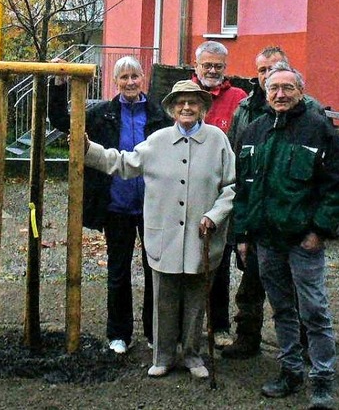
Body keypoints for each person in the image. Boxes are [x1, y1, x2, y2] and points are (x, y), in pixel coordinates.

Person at [83, 79, 236, 379]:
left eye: (193, 102)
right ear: (172, 108)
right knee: (164, 298)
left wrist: (215, 216)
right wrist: (89, 149)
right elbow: (123, 163)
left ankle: (192, 355)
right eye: (181, 103)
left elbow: (230, 187)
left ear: (203, 107)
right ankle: (163, 355)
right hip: (164, 234)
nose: (187, 107)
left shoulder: (218, 140)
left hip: (201, 236)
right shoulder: (158, 140)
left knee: (195, 299)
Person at [233, 64, 339, 410]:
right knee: (282, 309)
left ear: (301, 90)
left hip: (303, 241)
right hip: (267, 241)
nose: (280, 94)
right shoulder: (254, 131)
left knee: (314, 311)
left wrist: (320, 231)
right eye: (274, 88)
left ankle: (323, 379)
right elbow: (243, 189)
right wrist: (243, 234)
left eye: (288, 88)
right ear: (265, 92)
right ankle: (290, 370)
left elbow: (338, 187)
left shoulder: (319, 130)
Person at [48, 56, 170, 354]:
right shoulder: (102, 114)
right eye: (124, 77)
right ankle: (119, 333)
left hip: (153, 206)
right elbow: (62, 121)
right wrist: (59, 84)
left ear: (144, 78)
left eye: (135, 76)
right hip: (117, 206)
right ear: (115, 82)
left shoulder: (159, 116)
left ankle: (156, 332)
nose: (130, 82)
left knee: (156, 269)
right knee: (118, 271)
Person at [191, 40, 247, 342]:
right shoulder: (184, 94)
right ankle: (187, 325)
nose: (212, 70)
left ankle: (219, 325)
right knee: (186, 262)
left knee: (220, 261)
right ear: (196, 66)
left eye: (218, 66)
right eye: (207, 65)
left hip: (224, 189)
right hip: (188, 187)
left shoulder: (238, 98)